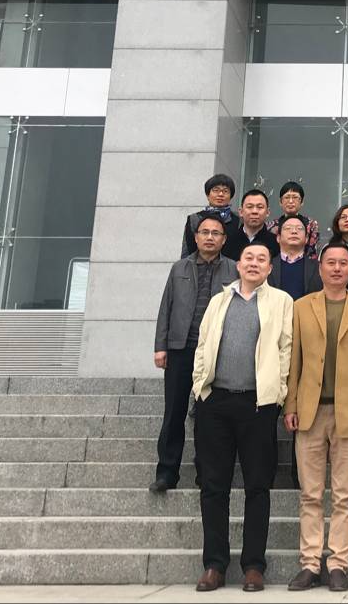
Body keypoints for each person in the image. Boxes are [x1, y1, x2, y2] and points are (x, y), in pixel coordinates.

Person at [190, 242, 294, 593]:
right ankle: (214, 565)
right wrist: (200, 386)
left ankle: (253, 566)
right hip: (216, 403)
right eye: (248, 258)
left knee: (258, 486)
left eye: (261, 259)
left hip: (257, 405)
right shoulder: (220, 300)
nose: (254, 263)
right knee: (213, 486)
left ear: (269, 268)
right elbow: (203, 345)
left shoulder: (281, 301)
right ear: (238, 265)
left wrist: (278, 393)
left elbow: (286, 349)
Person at [283, 242, 348, 592]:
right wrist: (291, 405)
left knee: (343, 494)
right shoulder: (301, 307)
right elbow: (293, 361)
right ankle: (310, 563)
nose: (337, 268)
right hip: (310, 412)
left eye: (343, 263)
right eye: (331, 263)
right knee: (310, 493)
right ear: (321, 268)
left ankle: (338, 562)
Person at [151, 211, 236, 493]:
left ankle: (206, 473)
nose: (210, 237)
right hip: (181, 348)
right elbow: (166, 307)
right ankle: (167, 473)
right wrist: (160, 346)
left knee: (208, 415)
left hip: (215, 352)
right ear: (196, 237)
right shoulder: (179, 268)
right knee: (174, 412)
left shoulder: (234, 270)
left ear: (224, 240)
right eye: (205, 233)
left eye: (216, 233)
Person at [181, 174, 239, 258]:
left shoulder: (238, 220)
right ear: (208, 195)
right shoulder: (195, 219)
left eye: (225, 191)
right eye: (216, 190)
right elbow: (187, 251)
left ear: (231, 196)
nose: (220, 194)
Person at [267, 180, 321, 261]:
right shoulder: (271, 226)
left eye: (295, 197)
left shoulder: (311, 224)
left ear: (302, 202)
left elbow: (312, 253)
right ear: (280, 202)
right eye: (287, 197)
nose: (291, 201)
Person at [224, 189, 280, 261]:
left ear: (267, 212)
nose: (254, 211)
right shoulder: (227, 241)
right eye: (250, 207)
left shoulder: (277, 243)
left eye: (260, 207)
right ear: (241, 212)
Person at [273, 213, 320, 300]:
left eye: (299, 228)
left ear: (306, 239)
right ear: (278, 238)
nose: (294, 231)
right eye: (288, 228)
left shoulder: (319, 268)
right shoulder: (267, 266)